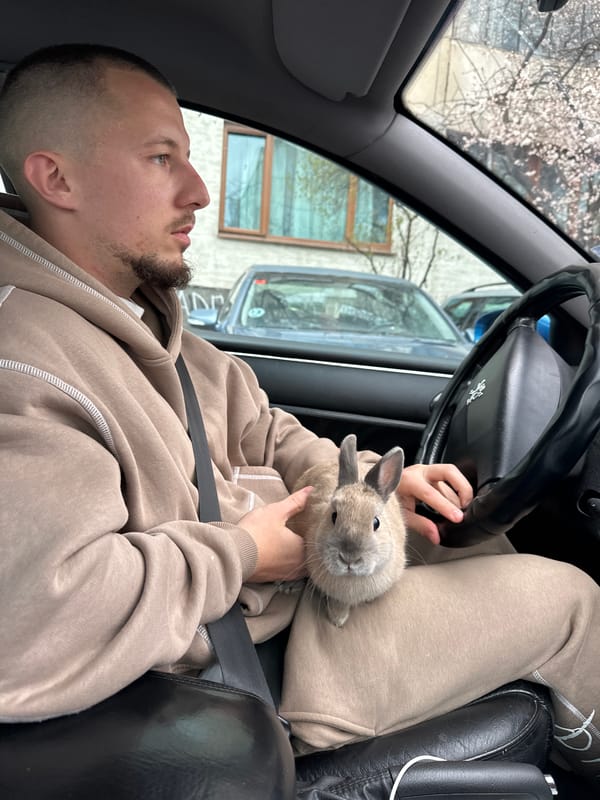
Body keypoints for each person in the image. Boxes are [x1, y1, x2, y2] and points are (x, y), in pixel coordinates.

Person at [0, 45, 598, 785]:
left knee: (475, 543)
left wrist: (362, 494)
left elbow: (268, 432)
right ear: (56, 178)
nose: (199, 191)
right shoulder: (22, 360)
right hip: (251, 660)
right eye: (161, 159)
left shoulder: (147, 320)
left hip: (280, 596)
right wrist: (243, 554)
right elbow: (32, 623)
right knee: (573, 601)